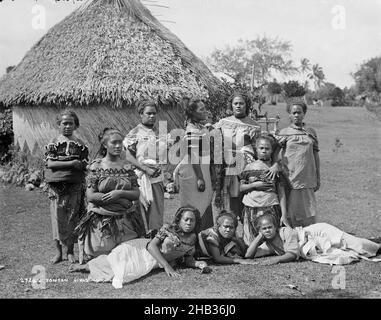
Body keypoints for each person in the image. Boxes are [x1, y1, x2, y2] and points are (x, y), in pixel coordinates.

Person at [69, 206, 210, 289]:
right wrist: (167, 266)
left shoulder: (193, 238)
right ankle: (84, 266)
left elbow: (186, 256)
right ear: (179, 220)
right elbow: (152, 247)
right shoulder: (168, 229)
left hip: (153, 262)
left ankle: (88, 266)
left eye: (193, 220)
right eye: (186, 219)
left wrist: (198, 264)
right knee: (119, 265)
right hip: (142, 250)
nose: (189, 223)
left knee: (123, 272)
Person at [75, 128, 144, 264]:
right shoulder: (97, 167)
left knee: (127, 257)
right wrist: (119, 199)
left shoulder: (127, 167)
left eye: (120, 142)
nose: (118, 146)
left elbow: (136, 194)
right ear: (105, 145)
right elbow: (91, 196)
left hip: (125, 219)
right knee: (104, 257)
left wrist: (120, 193)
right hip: (102, 221)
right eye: (114, 143)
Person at [213, 92, 279, 219]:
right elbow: (214, 142)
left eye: (241, 103)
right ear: (231, 106)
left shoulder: (254, 125)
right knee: (228, 201)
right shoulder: (223, 122)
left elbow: (260, 148)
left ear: (246, 105)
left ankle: (246, 230)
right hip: (227, 166)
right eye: (235, 103)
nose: (238, 106)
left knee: (243, 199)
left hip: (246, 167)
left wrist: (275, 164)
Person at [245, 213, 381, 265]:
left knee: (353, 243)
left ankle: (377, 246)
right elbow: (249, 255)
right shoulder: (269, 244)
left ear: (275, 227)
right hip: (313, 244)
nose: (268, 230)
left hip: (318, 232)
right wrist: (259, 237)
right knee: (344, 250)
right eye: (264, 229)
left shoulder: (286, 232)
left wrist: (277, 259)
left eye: (270, 227)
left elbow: (292, 254)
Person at [44, 109, 89, 264]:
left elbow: (84, 164)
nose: (67, 126)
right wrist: (71, 163)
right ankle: (58, 252)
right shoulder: (53, 142)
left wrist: (82, 166)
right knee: (56, 218)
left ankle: (70, 252)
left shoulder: (81, 144)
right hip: (57, 188)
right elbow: (50, 163)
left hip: (75, 186)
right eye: (64, 123)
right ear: (58, 124)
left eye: (71, 123)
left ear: (76, 125)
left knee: (72, 218)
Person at [123, 100, 168, 233]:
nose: (152, 116)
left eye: (154, 113)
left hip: (157, 179)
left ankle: (154, 240)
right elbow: (128, 156)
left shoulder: (159, 132)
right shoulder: (135, 133)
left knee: (156, 214)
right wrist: (146, 169)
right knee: (142, 213)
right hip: (141, 180)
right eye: (148, 113)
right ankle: (143, 242)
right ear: (141, 114)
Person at [276, 100, 320, 227]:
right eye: (293, 112)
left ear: (304, 113)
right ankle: (292, 240)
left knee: (308, 212)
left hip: (307, 178)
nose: (296, 115)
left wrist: (318, 176)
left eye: (299, 112)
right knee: (291, 212)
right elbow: (274, 154)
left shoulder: (311, 132)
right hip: (290, 178)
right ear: (289, 114)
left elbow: (316, 155)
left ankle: (308, 239)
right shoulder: (283, 132)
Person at [239, 135, 289, 246]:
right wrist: (255, 185)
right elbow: (241, 188)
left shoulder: (275, 169)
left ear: (272, 151)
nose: (264, 151)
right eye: (261, 148)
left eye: (267, 148)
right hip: (251, 206)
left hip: (270, 205)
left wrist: (284, 215)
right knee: (250, 243)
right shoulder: (249, 167)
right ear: (256, 150)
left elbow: (281, 193)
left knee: (270, 238)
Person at [173, 98, 214, 229]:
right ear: (192, 112)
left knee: (204, 202)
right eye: (201, 109)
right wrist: (200, 178)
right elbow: (193, 155)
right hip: (194, 172)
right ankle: (194, 234)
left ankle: (203, 235)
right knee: (195, 204)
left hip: (202, 168)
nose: (205, 111)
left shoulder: (199, 127)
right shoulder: (192, 130)